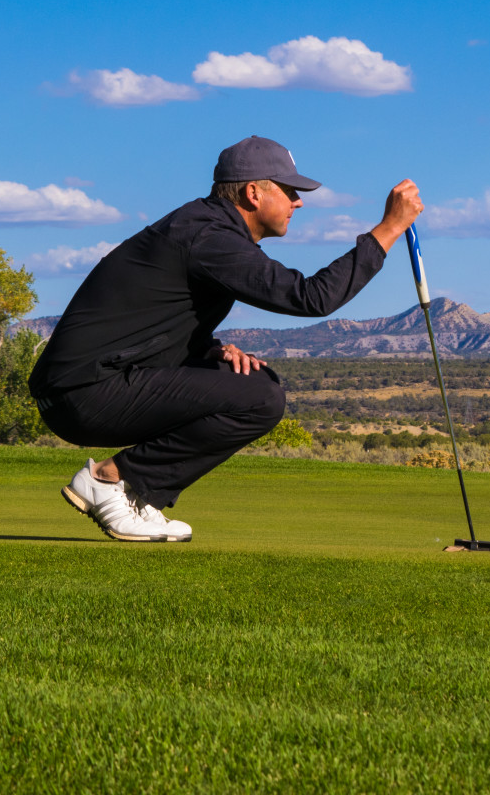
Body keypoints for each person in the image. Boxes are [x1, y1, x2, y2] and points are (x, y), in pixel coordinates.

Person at [28, 135, 422, 542]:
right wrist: (389, 229)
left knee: (250, 381)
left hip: (89, 386)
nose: (298, 202)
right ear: (254, 192)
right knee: (261, 399)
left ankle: (137, 495)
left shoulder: (204, 227)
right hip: (83, 395)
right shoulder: (211, 238)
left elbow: (153, 319)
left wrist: (211, 350)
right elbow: (312, 298)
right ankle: (113, 481)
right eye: (289, 192)